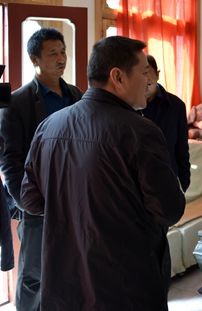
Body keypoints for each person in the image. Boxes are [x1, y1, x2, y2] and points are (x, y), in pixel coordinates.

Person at [20, 36, 186, 310]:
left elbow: (31, 201)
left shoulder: (49, 126)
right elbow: (169, 210)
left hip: (64, 280)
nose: (148, 81)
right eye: (143, 72)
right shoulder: (141, 131)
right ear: (118, 77)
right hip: (124, 283)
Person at [0, 27, 82, 311]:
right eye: (53, 53)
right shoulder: (17, 102)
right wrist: (25, 202)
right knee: (33, 275)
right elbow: (9, 160)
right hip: (38, 200)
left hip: (74, 197)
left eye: (63, 52)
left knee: (70, 267)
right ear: (34, 59)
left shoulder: (76, 95)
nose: (61, 58)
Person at [142, 55, 191, 192]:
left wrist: (184, 181)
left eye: (147, 72)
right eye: (140, 74)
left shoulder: (176, 105)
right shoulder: (128, 106)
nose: (145, 79)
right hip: (138, 180)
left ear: (157, 75)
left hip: (168, 176)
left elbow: (182, 147)